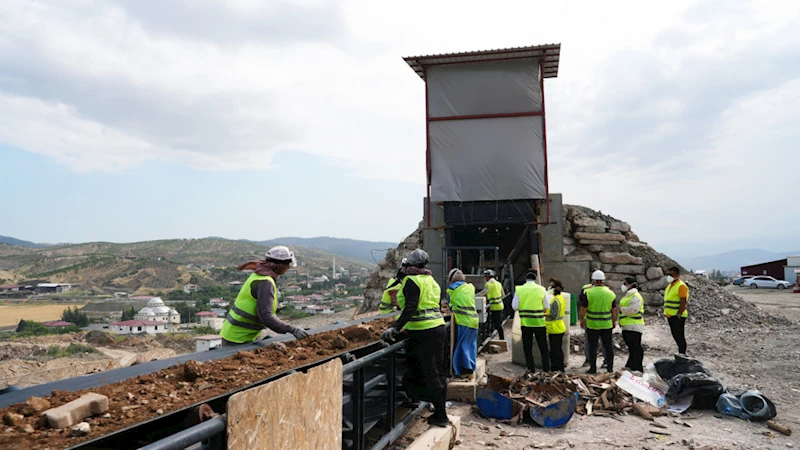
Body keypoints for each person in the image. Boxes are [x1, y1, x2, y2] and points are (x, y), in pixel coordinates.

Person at [381, 249, 448, 427]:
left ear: (409, 266)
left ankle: (441, 415)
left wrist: (395, 328)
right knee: (437, 371)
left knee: (429, 372)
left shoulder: (411, 280)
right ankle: (437, 408)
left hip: (423, 332)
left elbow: (411, 308)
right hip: (437, 328)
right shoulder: (430, 280)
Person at [220, 246, 309, 346]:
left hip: (238, 334)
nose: (288, 267)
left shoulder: (260, 275)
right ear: (278, 265)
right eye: (287, 264)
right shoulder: (265, 282)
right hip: (238, 338)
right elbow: (266, 316)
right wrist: (293, 330)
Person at [579, 270, 617, 374]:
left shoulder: (588, 293)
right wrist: (614, 321)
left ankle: (592, 368)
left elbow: (583, 309)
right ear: (603, 280)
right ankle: (610, 368)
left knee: (592, 347)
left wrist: (581, 319)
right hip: (606, 324)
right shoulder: (610, 293)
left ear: (593, 280)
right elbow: (614, 310)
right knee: (608, 346)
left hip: (592, 325)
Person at [512, 270, 550, 372]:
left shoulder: (519, 289)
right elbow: (547, 305)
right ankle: (546, 369)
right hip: (539, 323)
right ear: (535, 279)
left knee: (527, 348)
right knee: (543, 347)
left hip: (526, 323)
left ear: (526, 279)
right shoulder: (542, 289)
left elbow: (515, 306)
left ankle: (531, 369)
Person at [445, 268, 478, 378]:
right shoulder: (470, 287)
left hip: (462, 320)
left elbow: (450, 305)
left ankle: (463, 369)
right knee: (471, 344)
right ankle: (471, 367)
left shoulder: (451, 289)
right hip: (474, 319)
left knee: (461, 345)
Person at [619, 277, 645, 372]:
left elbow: (633, 309)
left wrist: (621, 310)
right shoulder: (628, 295)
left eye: (625, 283)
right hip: (627, 324)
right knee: (631, 347)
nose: (623, 285)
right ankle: (630, 365)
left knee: (635, 346)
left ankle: (637, 367)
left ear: (630, 285)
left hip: (634, 324)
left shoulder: (635, 296)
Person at [580, 279, 607, 368]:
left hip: (591, 321)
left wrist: (581, 319)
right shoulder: (607, 291)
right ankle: (606, 362)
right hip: (604, 321)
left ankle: (590, 362)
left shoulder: (586, 290)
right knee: (605, 342)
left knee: (590, 343)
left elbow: (583, 306)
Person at [664, 266, 689, 355]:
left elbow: (683, 301)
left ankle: (682, 354)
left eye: (670, 274)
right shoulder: (670, 286)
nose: (668, 276)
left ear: (677, 275)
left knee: (679, 336)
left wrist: (679, 313)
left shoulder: (681, 286)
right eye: (667, 274)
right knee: (676, 336)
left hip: (677, 316)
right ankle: (681, 353)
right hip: (670, 315)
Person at [546, 279, 567, 372]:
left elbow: (553, 315)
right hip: (559, 327)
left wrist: (543, 314)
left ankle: (556, 369)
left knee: (555, 351)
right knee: (558, 349)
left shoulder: (555, 300)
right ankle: (560, 368)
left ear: (557, 288)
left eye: (551, 287)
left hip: (555, 328)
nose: (550, 288)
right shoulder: (560, 298)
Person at [481, 269, 506, 340]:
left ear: (487, 277)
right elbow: (503, 295)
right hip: (500, 305)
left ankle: (501, 338)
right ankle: (501, 337)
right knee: (498, 323)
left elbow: (483, 293)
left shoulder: (488, 284)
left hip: (493, 306)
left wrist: (474, 296)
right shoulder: (499, 283)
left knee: (495, 323)